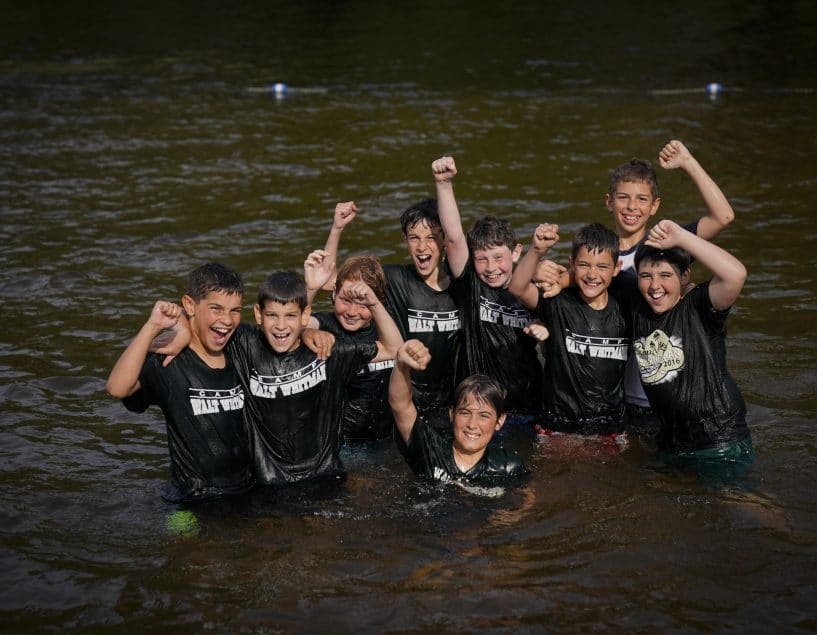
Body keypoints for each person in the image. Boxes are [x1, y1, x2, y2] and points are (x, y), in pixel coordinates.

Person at [606, 141, 735, 437]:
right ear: (609, 201)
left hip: (670, 387)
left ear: (655, 206)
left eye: (641, 199)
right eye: (623, 198)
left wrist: (688, 162)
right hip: (623, 396)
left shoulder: (668, 244)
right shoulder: (599, 256)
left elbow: (723, 217)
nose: (631, 207)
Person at [228, 270, 403, 485]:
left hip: (325, 477)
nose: (281, 326)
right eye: (272, 315)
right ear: (258, 314)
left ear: (304, 315)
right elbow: (201, 324)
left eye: (291, 316)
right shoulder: (246, 345)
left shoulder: (328, 352)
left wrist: (374, 303)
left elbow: (394, 348)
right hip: (269, 481)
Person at [106, 263, 254, 503]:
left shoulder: (239, 347)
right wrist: (153, 326)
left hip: (245, 491)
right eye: (216, 308)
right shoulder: (170, 360)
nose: (226, 320)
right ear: (189, 305)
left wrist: (311, 331)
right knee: (183, 539)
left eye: (235, 310)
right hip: (190, 498)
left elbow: (280, 329)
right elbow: (117, 387)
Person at [307, 198, 461, 429]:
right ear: (405, 241)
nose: (422, 247)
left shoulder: (463, 285)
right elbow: (331, 281)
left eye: (432, 237)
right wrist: (337, 228)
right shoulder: (394, 279)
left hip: (447, 404)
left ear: (445, 240)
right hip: (405, 404)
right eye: (414, 238)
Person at [625, 220, 751, 465]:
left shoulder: (698, 307)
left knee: (734, 501)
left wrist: (682, 238)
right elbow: (596, 277)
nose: (655, 286)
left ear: (685, 276)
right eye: (645, 276)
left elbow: (735, 275)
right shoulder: (638, 310)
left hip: (718, 441)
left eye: (665, 275)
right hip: (673, 441)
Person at [434, 155, 542, 418]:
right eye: (481, 259)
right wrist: (444, 184)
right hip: (479, 409)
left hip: (528, 407)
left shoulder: (532, 289)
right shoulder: (471, 285)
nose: (491, 267)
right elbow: (453, 237)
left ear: (516, 252)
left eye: (498, 257)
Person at [509, 222, 629, 437]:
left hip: (609, 427)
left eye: (602, 267)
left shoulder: (626, 310)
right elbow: (517, 287)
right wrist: (537, 251)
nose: (592, 274)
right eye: (584, 265)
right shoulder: (557, 302)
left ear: (617, 268)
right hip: (558, 425)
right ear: (572, 263)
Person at [388, 339, 527, 483]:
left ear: (499, 421)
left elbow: (526, 502)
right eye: (465, 413)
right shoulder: (430, 449)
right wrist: (402, 365)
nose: (472, 425)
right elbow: (400, 405)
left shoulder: (508, 467)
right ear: (451, 414)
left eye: (484, 416)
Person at [303, 249, 396, 442]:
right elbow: (291, 327)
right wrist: (311, 289)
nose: (352, 312)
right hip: (342, 443)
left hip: (386, 439)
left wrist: (374, 304)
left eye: (363, 304)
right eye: (345, 300)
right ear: (334, 294)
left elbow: (397, 348)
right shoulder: (324, 325)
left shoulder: (387, 328)